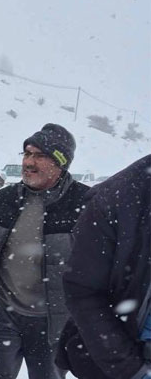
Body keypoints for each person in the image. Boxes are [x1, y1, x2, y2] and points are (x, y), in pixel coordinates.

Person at [0, 123, 90, 379]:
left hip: (53, 320)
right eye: (27, 154)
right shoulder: (3, 200)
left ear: (60, 163)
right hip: (2, 313)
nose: (29, 162)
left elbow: (97, 267)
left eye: (40, 156)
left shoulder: (84, 204)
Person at [56, 154, 151, 379]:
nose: (29, 163)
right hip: (124, 360)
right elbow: (83, 290)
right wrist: (131, 370)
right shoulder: (117, 197)